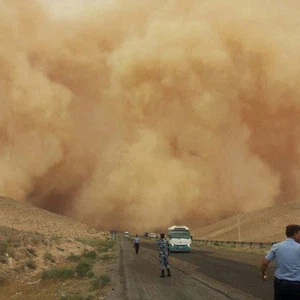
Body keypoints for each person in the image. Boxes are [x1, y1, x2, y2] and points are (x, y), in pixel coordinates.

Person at [260, 224, 300, 300]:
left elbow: (265, 263)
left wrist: (263, 273)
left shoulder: (276, 246)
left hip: (281, 284)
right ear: (295, 234)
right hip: (297, 285)